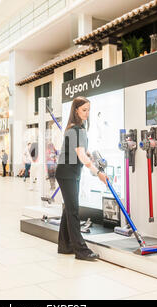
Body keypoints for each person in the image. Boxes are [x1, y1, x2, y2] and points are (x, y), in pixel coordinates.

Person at [55, 96, 107, 261]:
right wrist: (97, 172)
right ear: (75, 110)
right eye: (84, 110)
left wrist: (86, 154)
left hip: (68, 172)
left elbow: (79, 152)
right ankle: (81, 250)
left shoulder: (74, 128)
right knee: (73, 211)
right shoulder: (77, 129)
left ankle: (64, 246)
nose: (87, 113)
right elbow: (81, 155)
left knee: (68, 209)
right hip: (68, 173)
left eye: (88, 110)